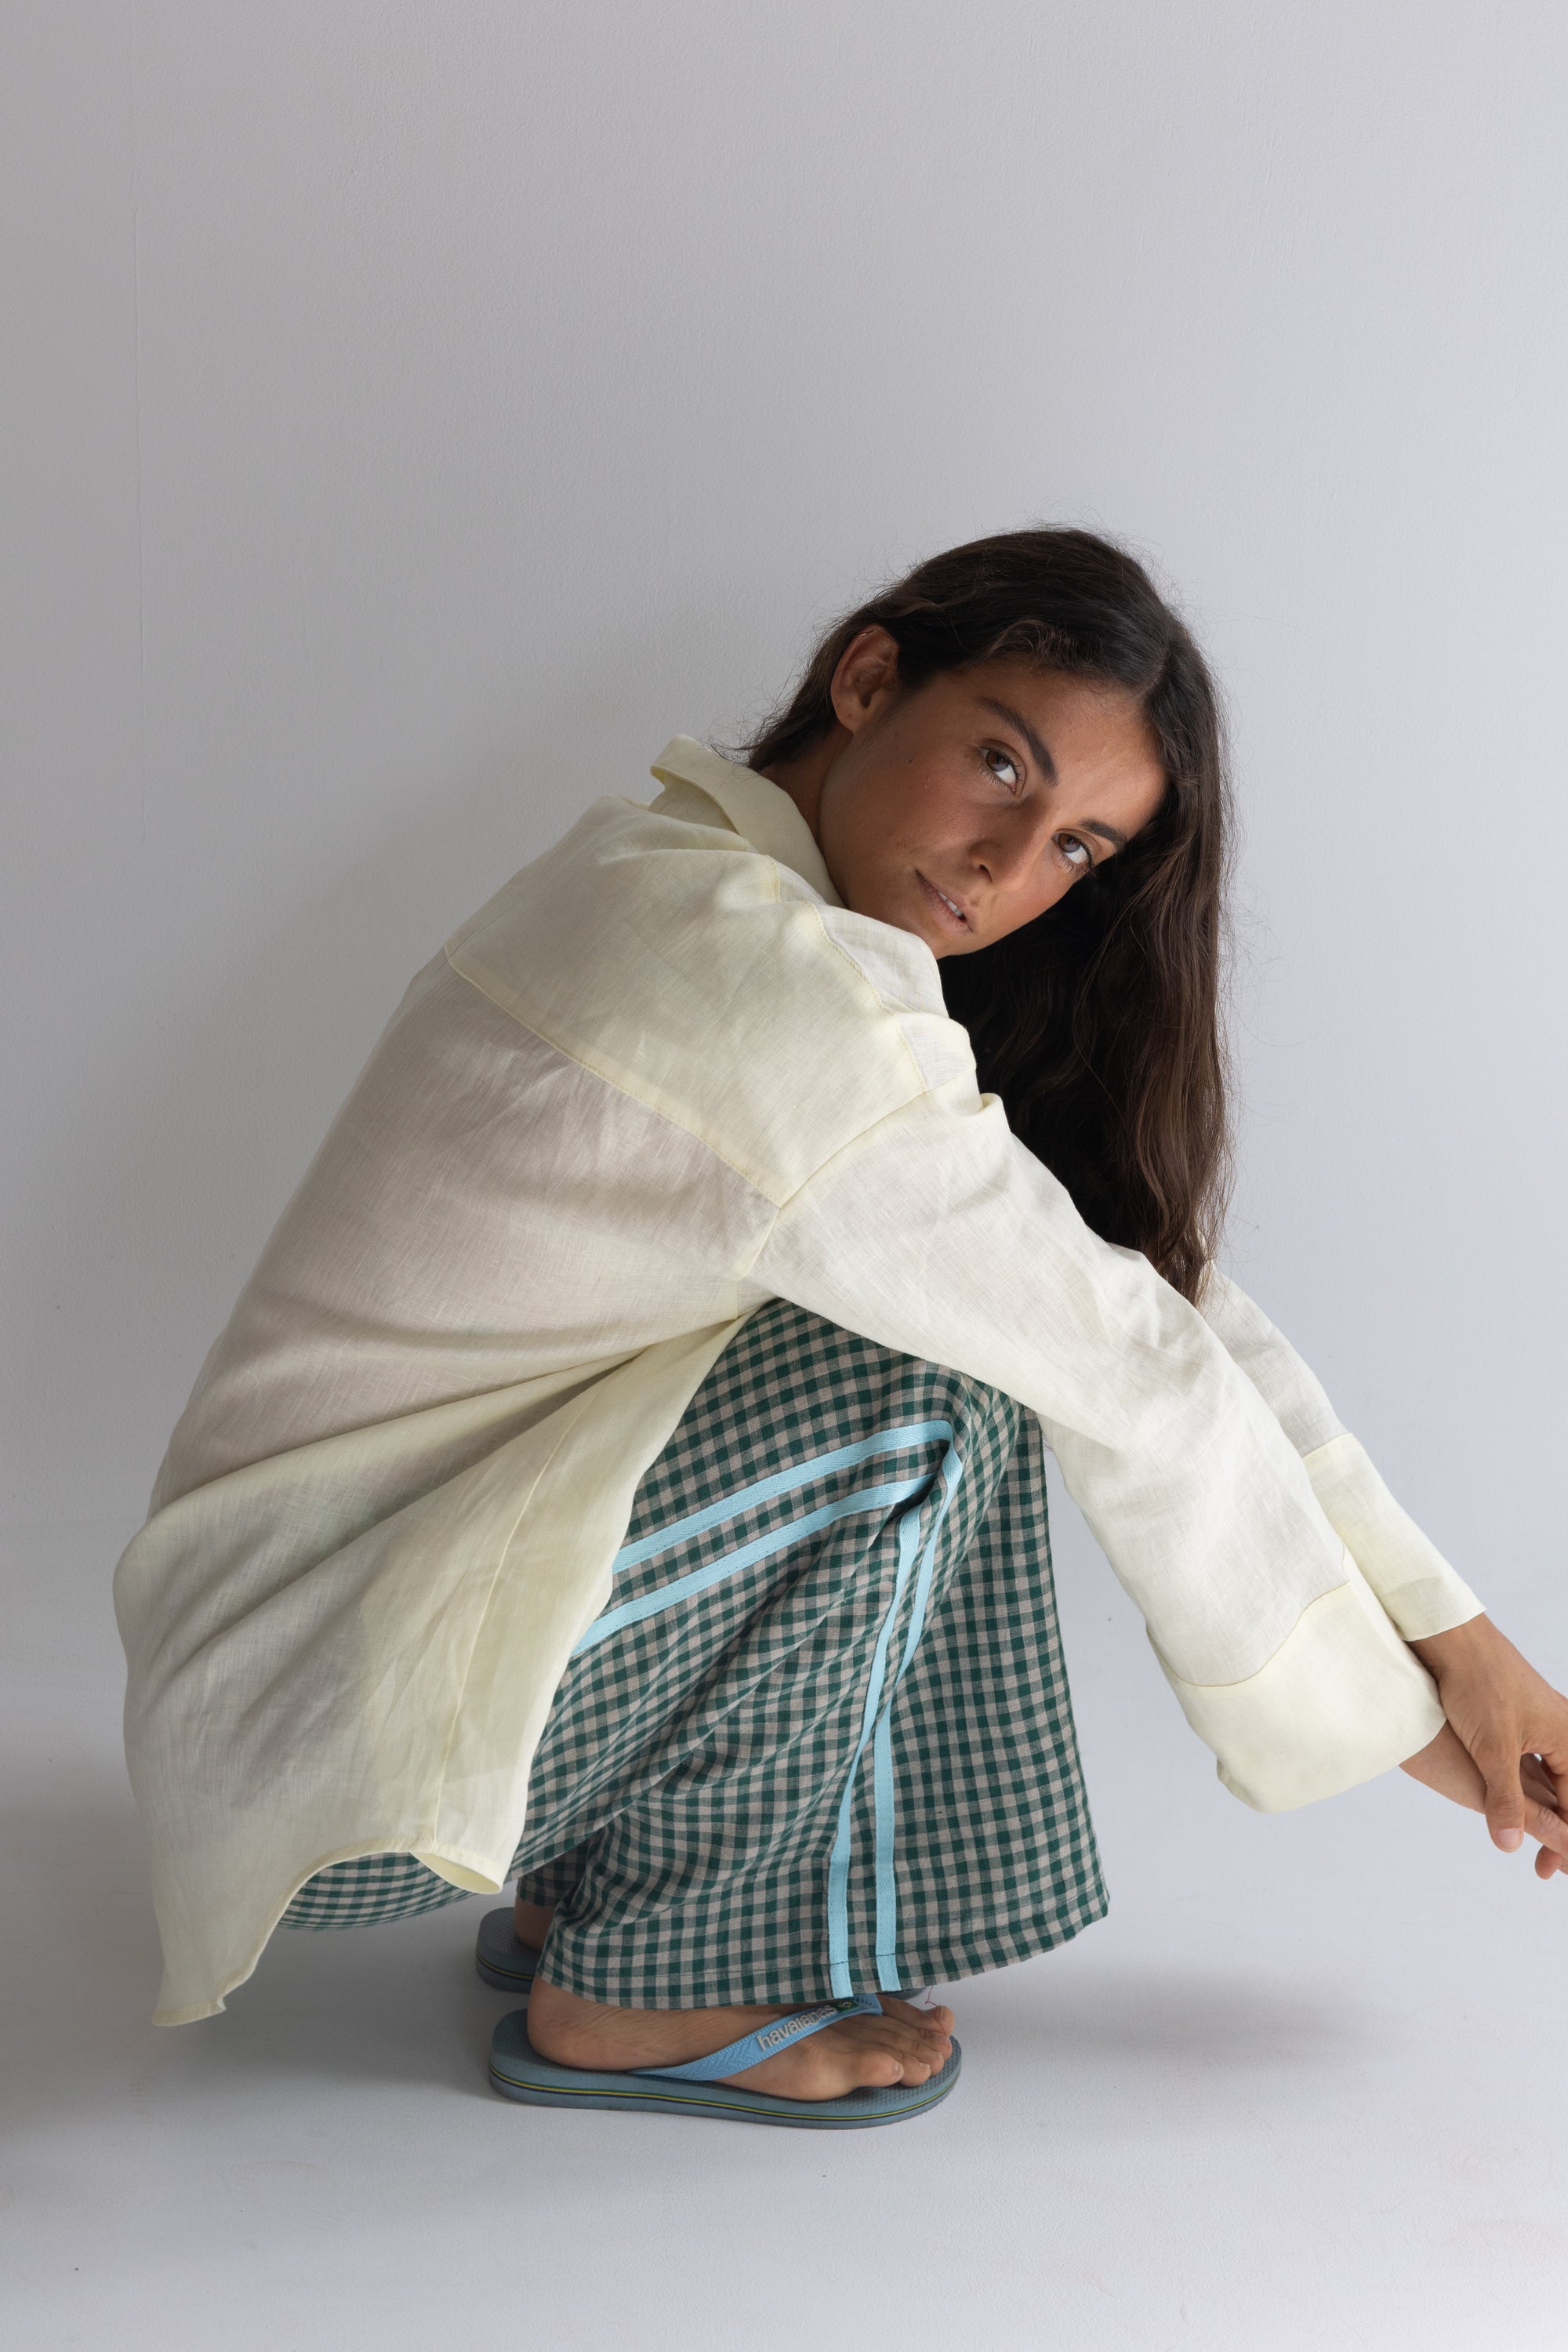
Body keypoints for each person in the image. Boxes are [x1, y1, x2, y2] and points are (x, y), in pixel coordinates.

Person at [115, 528, 1568, 2129]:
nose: (1007, 867)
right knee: (929, 1390)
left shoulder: (707, 889)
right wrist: (1426, 1723)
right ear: (869, 679)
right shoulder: (749, 975)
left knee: (971, 1334)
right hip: (315, 1740)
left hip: (300, 1683)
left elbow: (1146, 1297)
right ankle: (645, 1986)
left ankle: (592, 1887)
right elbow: (1127, 1366)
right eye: (1000, 764)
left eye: (1077, 846)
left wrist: (1461, 1638)